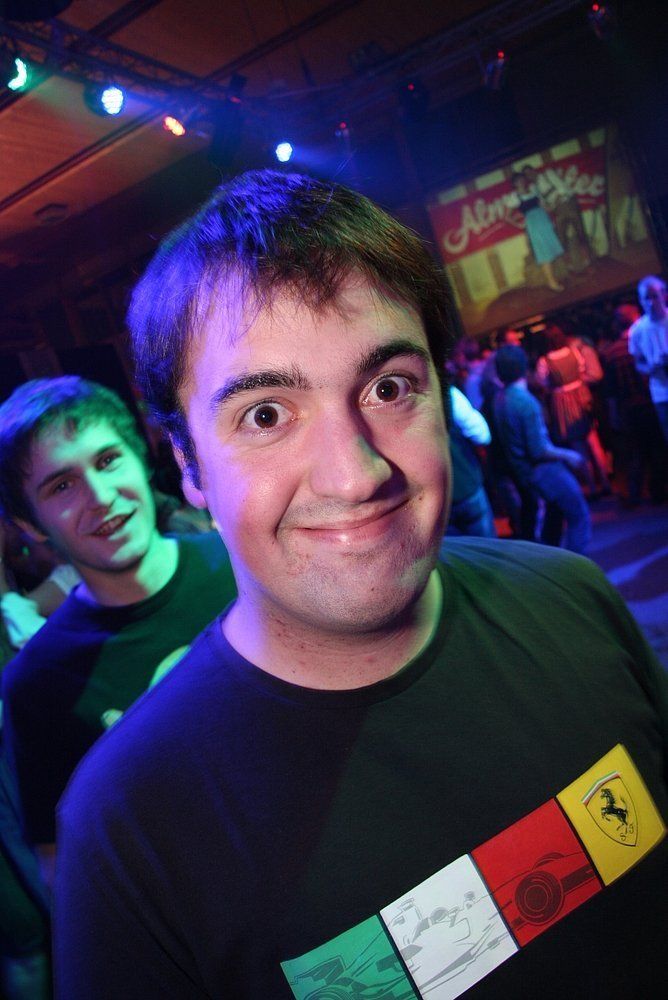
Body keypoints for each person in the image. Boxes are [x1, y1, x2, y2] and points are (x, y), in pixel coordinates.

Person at [55, 171, 666, 999]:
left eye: (388, 388)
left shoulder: (572, 598)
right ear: (188, 465)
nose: (355, 475)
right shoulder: (130, 826)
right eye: (266, 414)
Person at [0, 377, 237, 891]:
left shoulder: (243, 568)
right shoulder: (39, 684)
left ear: (140, 459)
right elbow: (61, 863)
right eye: (62, 486)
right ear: (31, 524)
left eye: (108, 461)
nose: (101, 497)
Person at [494, 345, 591, 554]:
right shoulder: (526, 403)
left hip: (523, 471)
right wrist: (570, 455)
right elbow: (538, 451)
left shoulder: (500, 400)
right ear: (523, 367)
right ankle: (575, 565)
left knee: (555, 514)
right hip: (541, 470)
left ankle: (550, 560)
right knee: (578, 512)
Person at [445, 387, 496, 538]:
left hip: (435, 501)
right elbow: (482, 436)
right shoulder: (449, 394)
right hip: (466, 486)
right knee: (487, 547)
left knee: (457, 550)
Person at [628, 275, 668, 441]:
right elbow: (638, 363)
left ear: (664, 295)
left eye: (654, 296)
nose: (651, 303)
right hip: (662, 394)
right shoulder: (637, 330)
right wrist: (651, 368)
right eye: (646, 298)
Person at [511, 171, 564, 292]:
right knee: (544, 253)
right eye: (518, 180)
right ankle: (551, 283)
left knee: (551, 250)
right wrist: (519, 224)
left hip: (544, 221)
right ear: (515, 183)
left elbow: (545, 207)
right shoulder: (515, 197)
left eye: (522, 179)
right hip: (534, 225)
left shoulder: (533, 190)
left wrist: (555, 203)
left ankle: (554, 279)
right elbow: (507, 217)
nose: (521, 181)